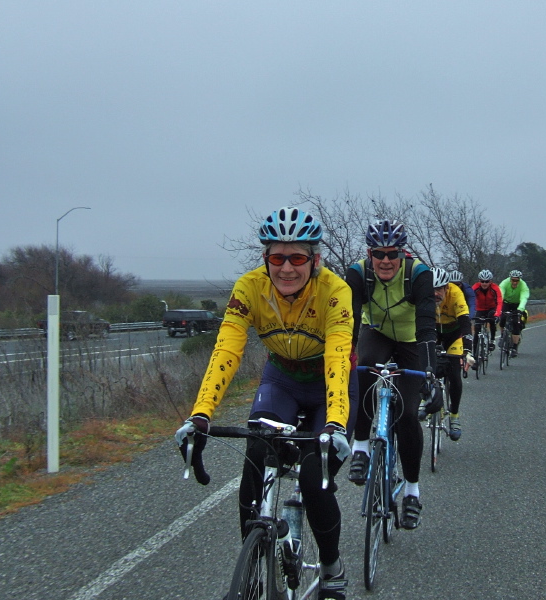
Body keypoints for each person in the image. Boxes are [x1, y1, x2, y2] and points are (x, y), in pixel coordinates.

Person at [174, 207, 356, 600]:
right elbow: (226, 349)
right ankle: (254, 569)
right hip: (283, 380)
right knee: (256, 452)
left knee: (313, 477)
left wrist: (336, 423)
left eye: (297, 258)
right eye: (277, 258)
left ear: (315, 260)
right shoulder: (249, 288)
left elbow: (339, 357)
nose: (286, 268)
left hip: (330, 384)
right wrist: (201, 414)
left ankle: (331, 566)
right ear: (265, 259)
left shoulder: (336, 291)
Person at [345, 219, 437, 530]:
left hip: (412, 340)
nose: (386, 261)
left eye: (392, 254)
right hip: (378, 333)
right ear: (369, 254)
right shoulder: (358, 273)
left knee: (409, 415)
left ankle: (411, 491)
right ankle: (361, 446)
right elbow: (350, 320)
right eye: (379, 254)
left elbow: (426, 323)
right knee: (363, 369)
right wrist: (342, 361)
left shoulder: (419, 275)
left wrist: (429, 372)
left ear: (403, 253)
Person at [427, 267, 475, 440]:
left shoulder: (456, 294)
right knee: (424, 365)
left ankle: (454, 416)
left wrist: (468, 350)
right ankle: (427, 400)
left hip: (454, 335)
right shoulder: (424, 295)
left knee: (454, 374)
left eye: (439, 289)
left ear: (447, 288)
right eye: (431, 289)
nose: (435, 293)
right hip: (433, 332)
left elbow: (465, 323)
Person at [471, 269, 503, 357]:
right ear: (479, 281)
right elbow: (469, 300)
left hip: (491, 308)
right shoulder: (475, 287)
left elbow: (499, 301)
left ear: (490, 282)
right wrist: (469, 313)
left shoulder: (495, 288)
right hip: (480, 309)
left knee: (492, 319)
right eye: (482, 281)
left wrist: (497, 314)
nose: (484, 283)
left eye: (487, 281)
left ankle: (492, 339)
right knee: (477, 330)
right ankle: (475, 355)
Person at [498, 269, 530, 357]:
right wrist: (499, 308)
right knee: (502, 319)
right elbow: (501, 294)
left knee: (516, 323)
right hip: (506, 303)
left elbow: (524, 298)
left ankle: (514, 347)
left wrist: (520, 309)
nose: (515, 282)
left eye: (517, 280)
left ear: (519, 280)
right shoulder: (504, 283)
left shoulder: (523, 286)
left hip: (517, 305)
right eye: (513, 280)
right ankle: (502, 335)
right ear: (510, 279)